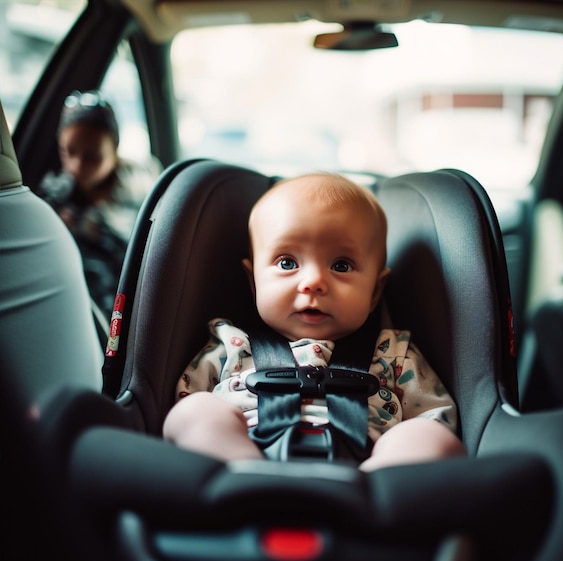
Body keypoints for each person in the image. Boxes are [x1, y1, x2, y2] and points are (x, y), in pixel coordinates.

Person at [163, 172, 466, 471]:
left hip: (368, 471)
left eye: (341, 265)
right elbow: (185, 400)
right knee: (193, 412)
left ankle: (372, 494)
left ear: (375, 291)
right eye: (287, 263)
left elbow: (436, 418)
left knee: (429, 437)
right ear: (253, 282)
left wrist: (419, 440)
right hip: (243, 457)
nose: (314, 281)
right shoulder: (231, 344)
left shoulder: (395, 354)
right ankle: (246, 475)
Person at [38, 90, 160, 316]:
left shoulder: (143, 186)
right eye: (68, 152)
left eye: (92, 157)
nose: (76, 166)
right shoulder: (54, 196)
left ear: (114, 151)